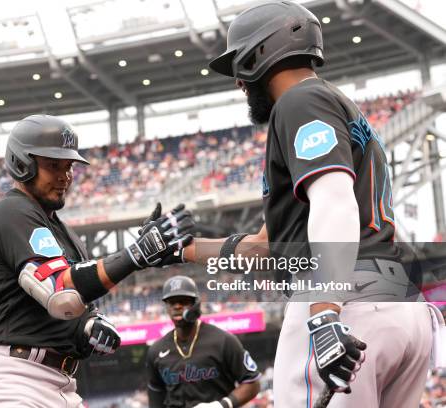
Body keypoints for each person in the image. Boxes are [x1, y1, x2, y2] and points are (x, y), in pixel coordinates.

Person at [177, 1, 443, 407]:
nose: (239, 83)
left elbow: (334, 201)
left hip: (345, 304)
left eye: (238, 67)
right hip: (400, 308)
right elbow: (265, 249)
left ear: (258, 57)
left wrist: (323, 314)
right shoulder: (334, 105)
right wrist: (182, 249)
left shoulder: (299, 101)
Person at [0, 114, 194, 408]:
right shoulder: (10, 211)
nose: (65, 175)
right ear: (22, 163)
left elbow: (69, 312)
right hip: (10, 379)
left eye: (68, 166)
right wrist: (134, 255)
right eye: (53, 165)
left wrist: (88, 328)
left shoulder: (65, 235)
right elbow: (61, 294)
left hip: (59, 385)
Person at [146, 275, 260, 408]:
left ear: (196, 304)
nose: (177, 306)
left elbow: (252, 383)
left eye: (183, 301)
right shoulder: (156, 350)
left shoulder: (223, 341)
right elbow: (156, 394)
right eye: (171, 302)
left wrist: (222, 405)